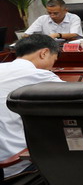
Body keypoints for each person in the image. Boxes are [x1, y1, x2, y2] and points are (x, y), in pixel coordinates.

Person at [0, 35, 63, 177]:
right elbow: (78, 99)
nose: (52, 67)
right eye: (53, 60)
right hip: (12, 164)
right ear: (44, 53)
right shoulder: (40, 75)